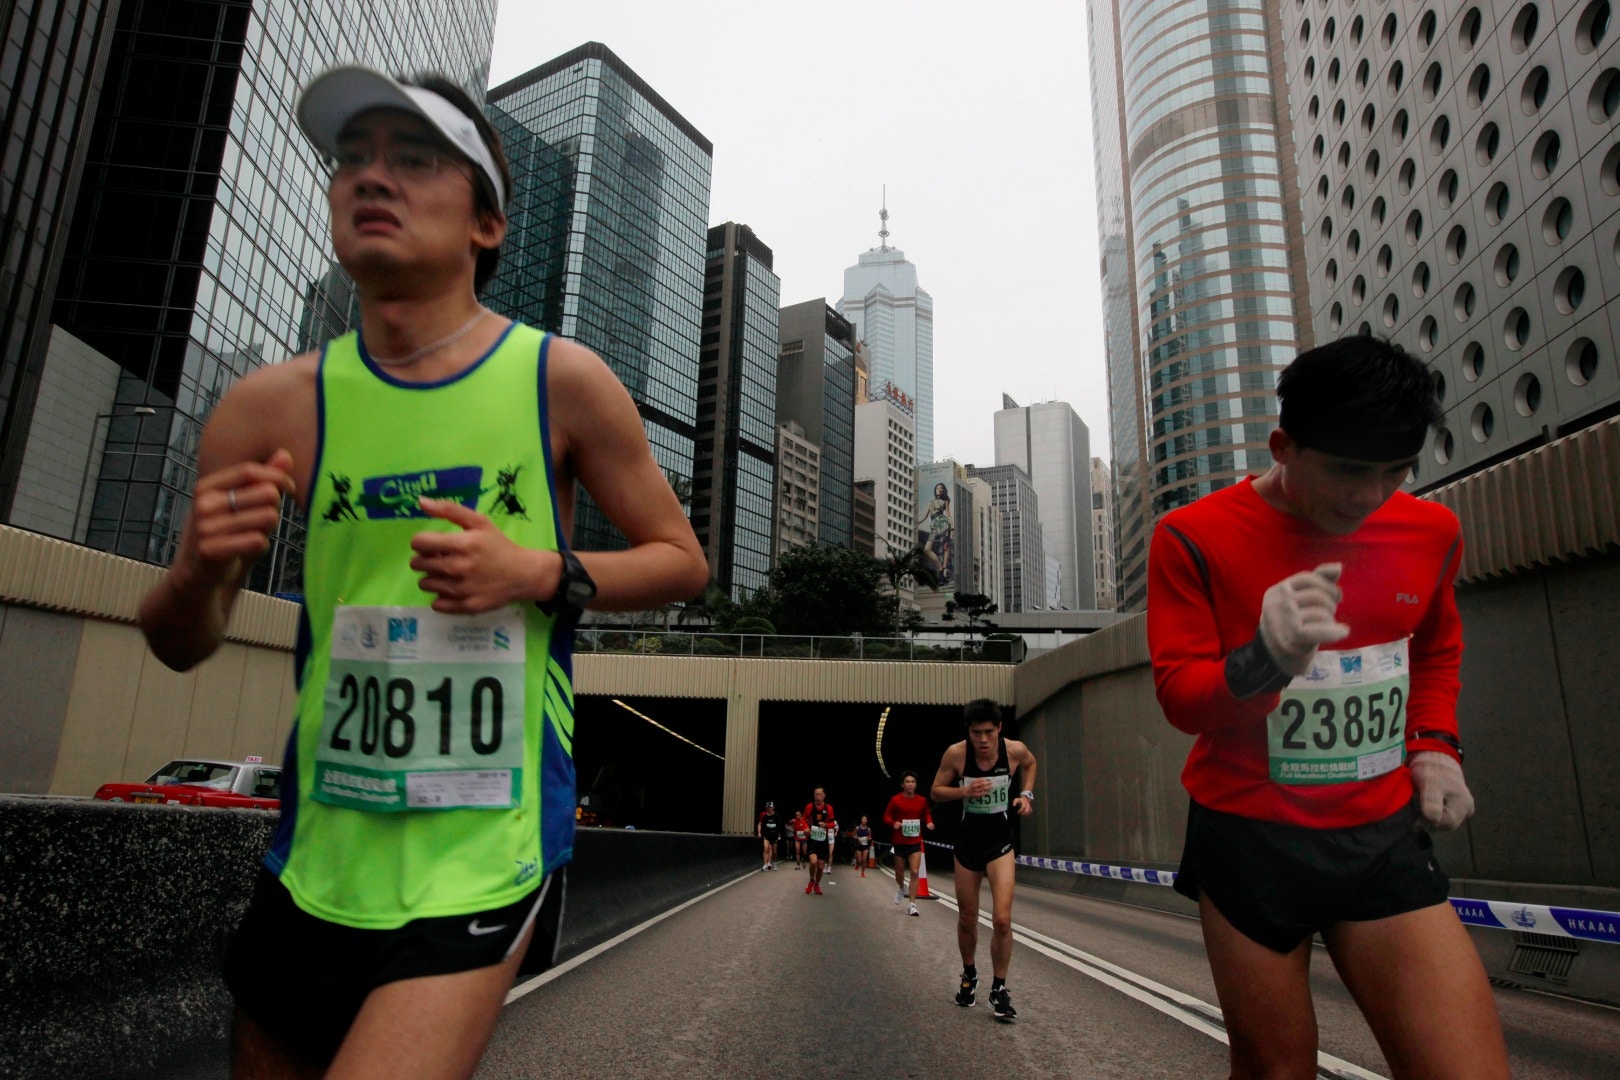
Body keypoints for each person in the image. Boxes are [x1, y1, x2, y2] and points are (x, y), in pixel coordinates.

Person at [136, 66, 709, 1078]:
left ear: (488, 224)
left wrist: (537, 571)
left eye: (413, 159)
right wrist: (194, 574)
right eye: (352, 159)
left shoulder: (559, 382)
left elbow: (682, 563)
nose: (371, 178)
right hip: (318, 850)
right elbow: (183, 644)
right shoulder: (271, 409)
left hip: (485, 845)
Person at [1146, 336, 1509, 1080]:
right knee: (1278, 1071)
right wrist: (1263, 661)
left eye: (1396, 471)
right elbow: (1181, 697)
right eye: (1348, 469)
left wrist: (1436, 743)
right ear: (1284, 445)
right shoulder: (1191, 537)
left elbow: (1436, 646)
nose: (1369, 496)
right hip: (1250, 839)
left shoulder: (1432, 531)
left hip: (1381, 834)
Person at [931, 701, 1034, 1020]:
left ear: (999, 729)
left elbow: (1031, 764)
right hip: (967, 843)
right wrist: (964, 792)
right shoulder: (956, 754)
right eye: (977, 733)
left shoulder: (1014, 751)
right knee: (968, 918)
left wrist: (1027, 795)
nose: (984, 740)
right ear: (969, 732)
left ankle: (999, 988)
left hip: (1000, 842)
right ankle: (969, 975)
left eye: (989, 732)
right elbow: (935, 791)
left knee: (1002, 919)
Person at [882, 770, 934, 916]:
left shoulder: (922, 801)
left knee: (915, 871)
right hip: (899, 842)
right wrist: (894, 823)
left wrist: (929, 822)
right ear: (902, 785)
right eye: (907, 782)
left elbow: (926, 814)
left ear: (916, 785)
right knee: (899, 872)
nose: (910, 784)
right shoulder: (895, 800)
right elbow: (886, 817)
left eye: (912, 782)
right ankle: (901, 887)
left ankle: (912, 905)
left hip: (915, 841)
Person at [801, 788, 836, 895]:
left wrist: (826, 825)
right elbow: (803, 819)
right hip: (812, 838)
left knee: (820, 866)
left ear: (824, 795)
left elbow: (833, 823)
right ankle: (811, 880)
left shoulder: (829, 808)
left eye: (820, 795)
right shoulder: (809, 807)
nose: (818, 797)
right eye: (816, 794)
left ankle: (817, 884)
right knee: (813, 862)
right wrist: (806, 827)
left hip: (823, 839)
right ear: (814, 795)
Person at [756, 801, 781, 871]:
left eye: (770, 807)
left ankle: (774, 863)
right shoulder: (764, 816)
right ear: (766, 808)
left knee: (774, 851)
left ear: (773, 807)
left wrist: (778, 834)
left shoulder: (777, 816)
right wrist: (759, 832)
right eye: (768, 807)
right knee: (765, 848)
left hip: (775, 835)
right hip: (767, 835)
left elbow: (779, 826)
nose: (769, 809)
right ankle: (765, 864)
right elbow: (760, 824)